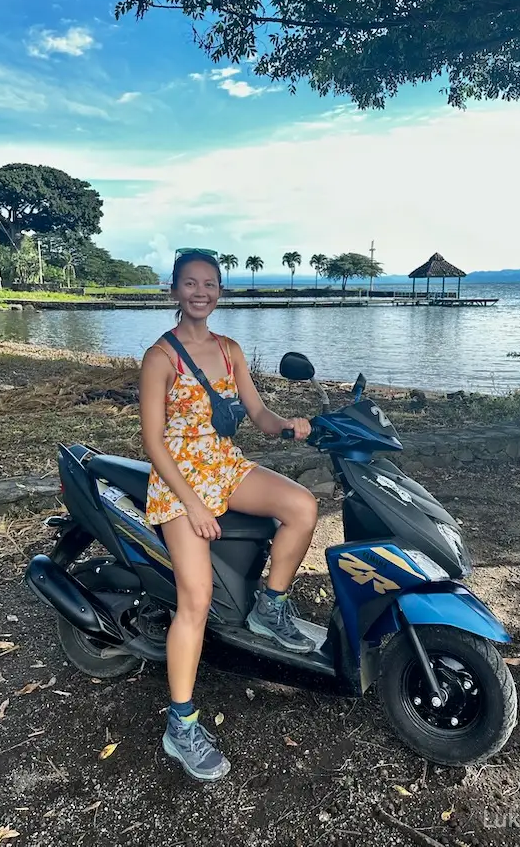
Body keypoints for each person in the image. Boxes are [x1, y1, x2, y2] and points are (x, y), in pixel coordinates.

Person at [139, 249, 319, 783]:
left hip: (225, 465)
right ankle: (182, 723)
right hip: (177, 480)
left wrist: (288, 424)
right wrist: (192, 505)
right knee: (193, 599)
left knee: (303, 507)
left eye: (210, 283)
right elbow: (152, 441)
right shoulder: (159, 358)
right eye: (190, 283)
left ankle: (271, 606)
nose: (201, 291)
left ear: (220, 291)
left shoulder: (231, 349)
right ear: (174, 291)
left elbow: (257, 414)